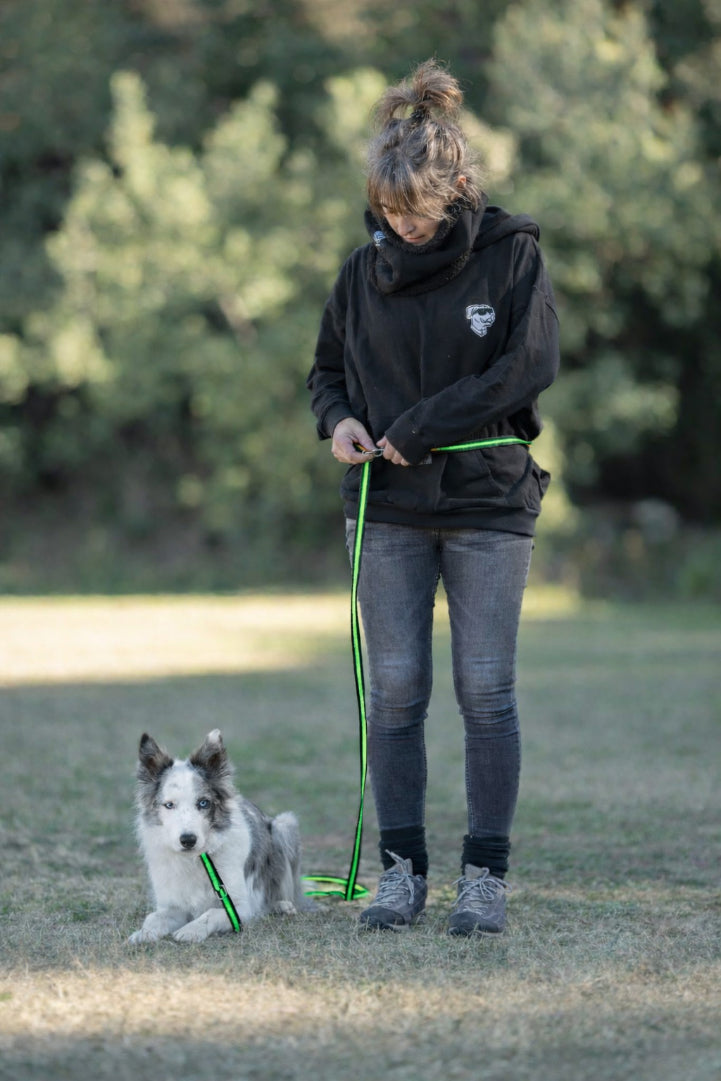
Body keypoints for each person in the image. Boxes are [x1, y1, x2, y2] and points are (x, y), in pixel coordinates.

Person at [306, 59, 560, 935]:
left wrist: (420, 424)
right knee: (395, 691)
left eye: (413, 210)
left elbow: (527, 367)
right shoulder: (360, 272)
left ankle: (483, 876)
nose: (400, 226)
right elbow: (325, 372)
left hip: (489, 504)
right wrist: (339, 420)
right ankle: (400, 873)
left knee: (484, 690)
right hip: (386, 510)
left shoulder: (511, 256)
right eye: (387, 211)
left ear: (454, 190)